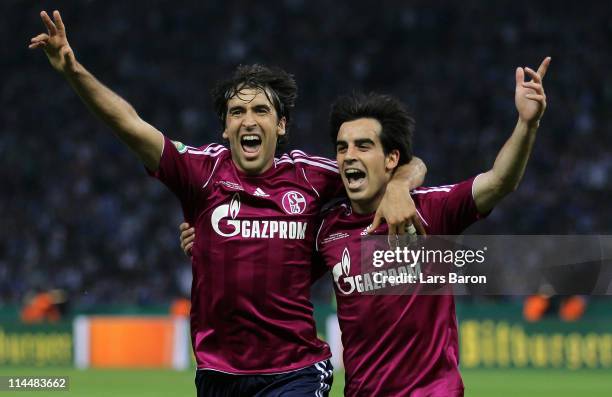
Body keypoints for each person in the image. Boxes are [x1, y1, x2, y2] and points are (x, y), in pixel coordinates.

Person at [30, 10, 426, 396]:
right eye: (237, 111)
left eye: (260, 110)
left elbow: (407, 164)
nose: (248, 120)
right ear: (225, 126)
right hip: (218, 372)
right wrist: (73, 71)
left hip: (295, 370)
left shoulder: (314, 175)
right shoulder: (200, 171)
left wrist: (397, 188)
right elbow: (130, 125)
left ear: (281, 124)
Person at [181, 56, 550, 396]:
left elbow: (500, 181)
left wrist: (526, 124)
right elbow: (276, 273)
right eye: (342, 148)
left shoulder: (431, 211)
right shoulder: (328, 229)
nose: (348, 156)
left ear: (391, 159)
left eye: (362, 146)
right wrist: (215, 245)